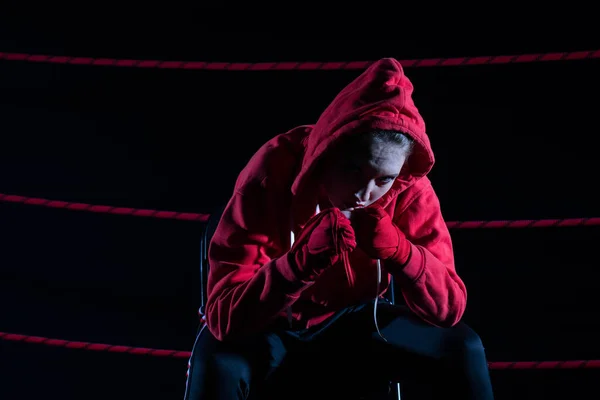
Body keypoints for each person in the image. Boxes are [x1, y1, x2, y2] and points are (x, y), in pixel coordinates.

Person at [184, 58, 495, 399]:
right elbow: (223, 317)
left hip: (359, 321)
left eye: (384, 179)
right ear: (329, 152)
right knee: (216, 358)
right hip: (274, 325)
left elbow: (449, 308)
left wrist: (401, 253)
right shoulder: (273, 169)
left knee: (464, 348)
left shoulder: (409, 190)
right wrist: (298, 263)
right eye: (353, 170)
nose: (364, 194)